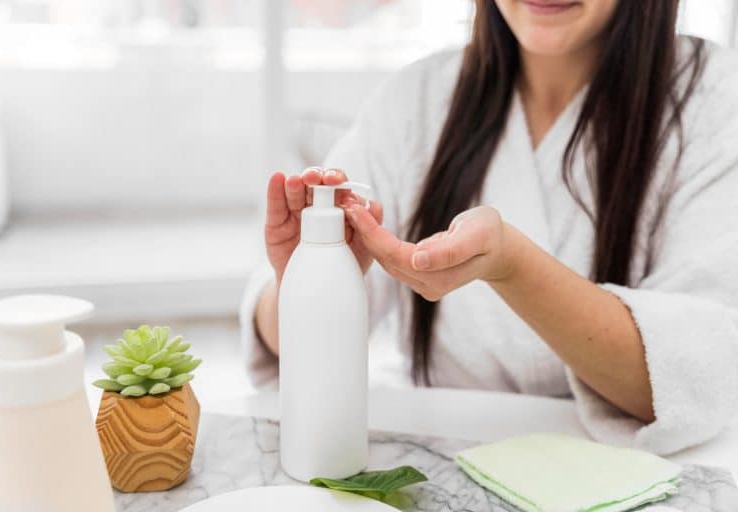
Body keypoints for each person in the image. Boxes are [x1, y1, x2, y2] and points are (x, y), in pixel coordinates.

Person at [241, 0, 738, 454]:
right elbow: (284, 343)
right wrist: (304, 282)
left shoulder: (711, 98)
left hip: (630, 469)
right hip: (442, 459)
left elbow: (690, 378)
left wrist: (514, 267)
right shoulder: (417, 99)